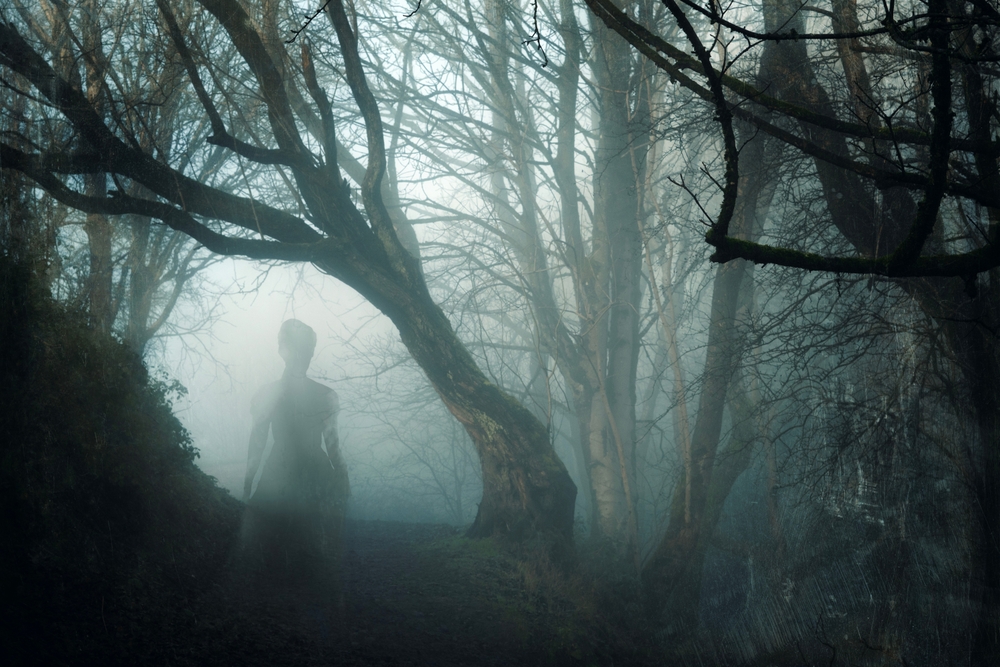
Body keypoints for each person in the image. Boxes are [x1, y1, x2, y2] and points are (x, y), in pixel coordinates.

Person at [240, 319, 349, 587]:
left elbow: (258, 442)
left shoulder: (271, 394)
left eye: (309, 350)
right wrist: (341, 477)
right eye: (305, 350)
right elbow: (332, 446)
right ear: (287, 352)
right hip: (302, 472)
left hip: (285, 471)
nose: (307, 356)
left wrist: (249, 481)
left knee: (279, 539)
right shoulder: (323, 395)